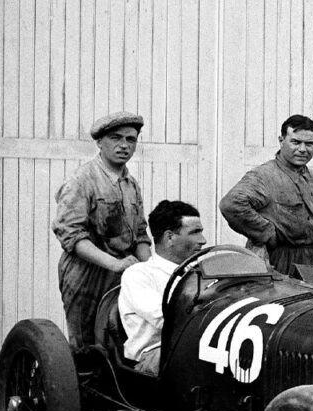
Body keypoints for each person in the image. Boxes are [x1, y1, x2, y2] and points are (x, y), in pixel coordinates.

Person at [52, 111, 153, 350]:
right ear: (99, 142)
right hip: (86, 275)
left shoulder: (131, 184)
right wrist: (113, 263)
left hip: (121, 273)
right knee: (86, 346)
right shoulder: (82, 180)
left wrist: (151, 269)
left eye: (131, 139)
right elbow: (71, 235)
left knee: (120, 341)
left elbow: (139, 233)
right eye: (116, 138)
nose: (124, 145)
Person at [220, 114, 313, 280]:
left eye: (309, 144)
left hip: (311, 261)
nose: (302, 149)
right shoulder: (264, 175)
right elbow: (231, 204)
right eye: (295, 142)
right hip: (277, 261)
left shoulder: (311, 176)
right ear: (281, 141)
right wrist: (267, 233)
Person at [118, 200, 206, 376]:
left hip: (197, 347)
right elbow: (167, 320)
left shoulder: (201, 272)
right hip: (155, 355)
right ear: (170, 237)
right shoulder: (138, 274)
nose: (203, 241)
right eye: (195, 233)